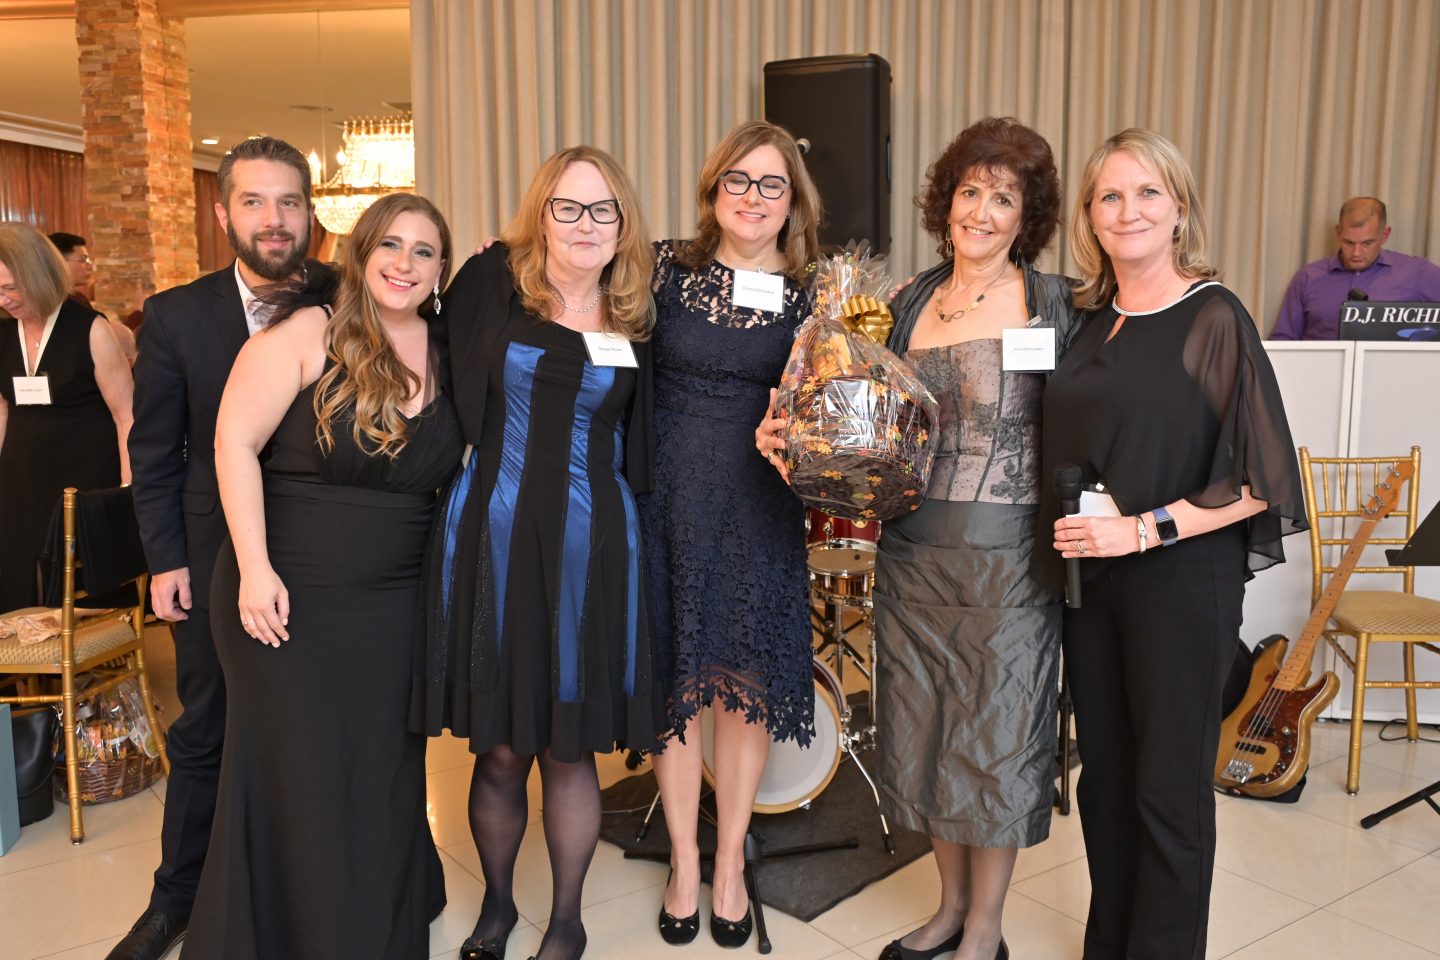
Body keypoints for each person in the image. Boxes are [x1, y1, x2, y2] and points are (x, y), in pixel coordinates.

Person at [765, 117, 1080, 960]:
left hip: (1009, 558)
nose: (982, 211)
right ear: (947, 202)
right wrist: (792, 430)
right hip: (909, 549)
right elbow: (851, 409)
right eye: (971, 191)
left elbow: (1093, 419)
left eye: (1004, 197)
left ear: (1027, 215)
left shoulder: (1053, 303)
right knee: (928, 727)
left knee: (998, 734)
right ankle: (946, 910)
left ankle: (984, 929)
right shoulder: (902, 302)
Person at [1037, 128, 1306, 960]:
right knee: (1108, 783)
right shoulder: (1087, 319)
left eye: (1149, 192)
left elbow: (1262, 477)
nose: (1130, 210)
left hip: (1178, 581)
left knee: (1166, 793)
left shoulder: (1212, 314)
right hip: (1092, 588)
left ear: (1180, 206)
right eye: (1111, 195)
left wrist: (1142, 528)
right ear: (1089, 215)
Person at [183, 192, 461, 960]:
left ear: (442, 270)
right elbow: (232, 445)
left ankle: (371, 925)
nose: (404, 264)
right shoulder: (310, 332)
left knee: (379, 770)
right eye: (391, 246)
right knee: (298, 774)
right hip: (286, 595)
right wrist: (253, 569)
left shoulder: (449, 351)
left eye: (424, 251)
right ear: (360, 253)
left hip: (398, 605)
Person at [419, 145, 666, 960]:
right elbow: (413, 344)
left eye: (602, 210)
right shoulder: (491, 283)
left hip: (592, 549)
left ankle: (566, 920)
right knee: (496, 747)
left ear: (623, 223)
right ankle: (496, 905)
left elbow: (653, 430)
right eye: (567, 207)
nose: (585, 225)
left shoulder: (638, 312)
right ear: (540, 213)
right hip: (490, 535)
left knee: (568, 747)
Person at [115, 136, 321, 960]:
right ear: (223, 212)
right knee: (208, 730)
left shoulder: (350, 297)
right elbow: (155, 452)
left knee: (307, 727)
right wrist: (165, 560)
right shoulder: (176, 315)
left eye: (289, 203)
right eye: (254, 202)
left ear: (310, 213)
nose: (274, 221)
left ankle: (305, 890)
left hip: (318, 556)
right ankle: (176, 901)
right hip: (208, 557)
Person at [640, 119, 821, 950]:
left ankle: (729, 864)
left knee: (742, 684)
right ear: (714, 191)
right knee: (678, 689)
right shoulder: (662, 272)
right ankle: (683, 859)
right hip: (667, 499)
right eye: (738, 182)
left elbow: (829, 411)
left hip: (761, 503)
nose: (754, 198)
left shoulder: (816, 293)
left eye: (771, 184)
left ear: (793, 201)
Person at [0, 222, 133, 611]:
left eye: (10, 288)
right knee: (19, 570)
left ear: (38, 275)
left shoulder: (90, 329)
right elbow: (4, 409)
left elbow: (126, 414)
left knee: (80, 577)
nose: (4, 299)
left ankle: (93, 660)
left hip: (85, 477)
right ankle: (31, 667)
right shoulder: (3, 333)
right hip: (21, 477)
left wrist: (127, 491)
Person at [1271, 196, 1440, 340]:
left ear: (1385, 235)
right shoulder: (1308, 278)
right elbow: (1282, 340)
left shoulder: (1417, 273)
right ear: (1338, 233)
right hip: (1318, 374)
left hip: (1391, 374)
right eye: (1349, 242)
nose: (1356, 252)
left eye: (1367, 243)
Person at [49, 231, 139, 364]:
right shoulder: (57, 302)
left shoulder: (77, 298)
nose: (91, 266)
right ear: (59, 262)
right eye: (83, 260)